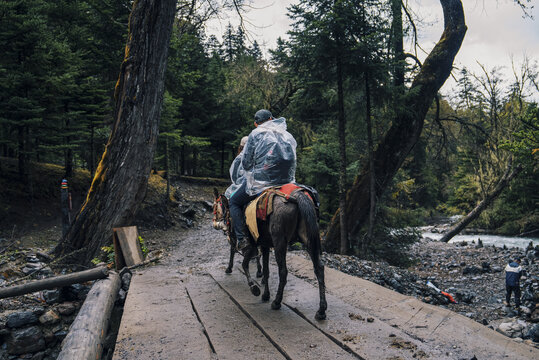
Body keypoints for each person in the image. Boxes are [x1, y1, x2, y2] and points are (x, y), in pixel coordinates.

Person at [229, 109, 297, 253]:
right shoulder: (286, 134)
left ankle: (242, 239)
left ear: (256, 124)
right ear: (272, 118)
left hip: (261, 184)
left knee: (234, 202)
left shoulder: (255, 134)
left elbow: (246, 164)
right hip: (287, 182)